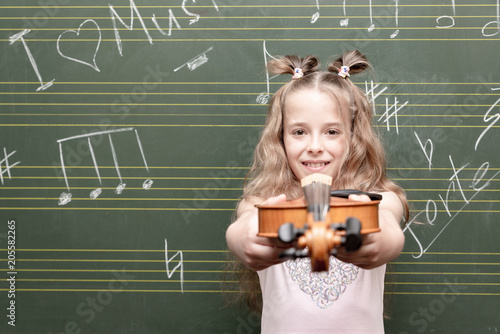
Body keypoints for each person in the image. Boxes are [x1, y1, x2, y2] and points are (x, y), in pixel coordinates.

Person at [225, 50, 409, 333]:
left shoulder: (377, 198)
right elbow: (243, 227)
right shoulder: (262, 202)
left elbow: (388, 224)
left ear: (353, 136)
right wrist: (241, 238)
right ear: (281, 139)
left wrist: (386, 239)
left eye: (331, 132)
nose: (314, 146)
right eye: (299, 132)